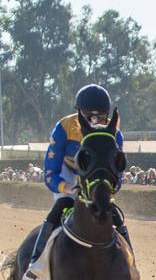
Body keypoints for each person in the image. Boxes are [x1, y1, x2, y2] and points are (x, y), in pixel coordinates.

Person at [32, 83, 130, 269]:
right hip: (68, 176)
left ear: (107, 115)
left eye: (100, 117)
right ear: (79, 114)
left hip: (96, 180)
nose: (94, 121)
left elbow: (118, 175)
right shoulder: (63, 127)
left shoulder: (114, 133)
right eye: (88, 116)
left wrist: (108, 190)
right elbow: (50, 172)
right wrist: (67, 188)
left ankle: (130, 265)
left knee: (114, 214)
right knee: (61, 205)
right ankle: (35, 263)